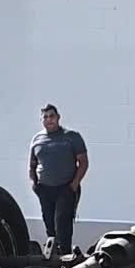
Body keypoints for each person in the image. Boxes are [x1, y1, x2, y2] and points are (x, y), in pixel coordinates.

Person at [29, 104, 88, 258]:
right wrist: (34, 184)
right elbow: (32, 165)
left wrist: (74, 184)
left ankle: (66, 256)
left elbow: (83, 162)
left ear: (58, 117)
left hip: (66, 187)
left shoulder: (71, 136)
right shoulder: (37, 139)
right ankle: (53, 257)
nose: (49, 120)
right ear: (41, 120)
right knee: (49, 224)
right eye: (46, 117)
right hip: (45, 189)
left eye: (52, 116)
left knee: (62, 222)